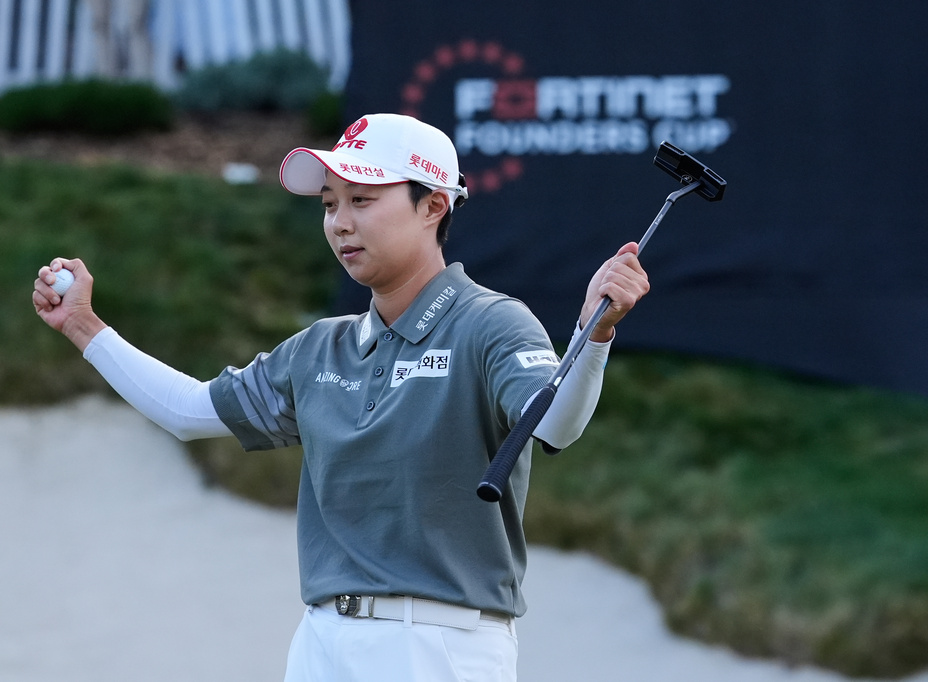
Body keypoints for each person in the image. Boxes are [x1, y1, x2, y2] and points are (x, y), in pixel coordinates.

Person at [32, 113, 649, 681]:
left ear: (433, 205)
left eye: (362, 200)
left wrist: (593, 337)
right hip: (322, 642)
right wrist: (85, 327)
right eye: (330, 204)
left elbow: (556, 425)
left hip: (440, 647)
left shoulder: (494, 324)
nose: (339, 222)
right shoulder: (319, 348)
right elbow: (190, 412)